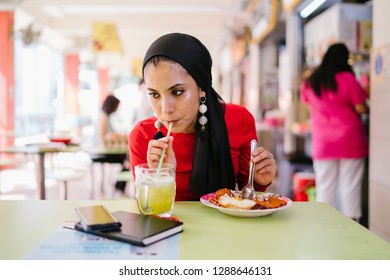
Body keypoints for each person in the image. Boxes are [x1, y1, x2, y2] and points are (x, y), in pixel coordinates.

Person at [129, 33, 277, 201]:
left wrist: (258, 181)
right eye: (154, 95)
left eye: (177, 92)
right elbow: (147, 206)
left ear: (201, 87)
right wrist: (162, 176)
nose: (166, 109)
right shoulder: (142, 136)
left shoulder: (239, 120)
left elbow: (246, 195)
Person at [300, 42, 369, 221]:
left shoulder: (311, 81)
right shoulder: (348, 78)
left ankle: (324, 227)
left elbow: (308, 104)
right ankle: (352, 230)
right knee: (350, 186)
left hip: (323, 142)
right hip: (350, 140)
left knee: (325, 186)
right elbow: (361, 108)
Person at [97, 94, 129, 193]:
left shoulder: (105, 116)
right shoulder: (104, 117)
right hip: (102, 152)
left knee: (127, 158)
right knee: (128, 160)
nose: (117, 109)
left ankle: (119, 185)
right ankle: (119, 185)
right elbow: (102, 138)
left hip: (105, 150)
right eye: (116, 106)